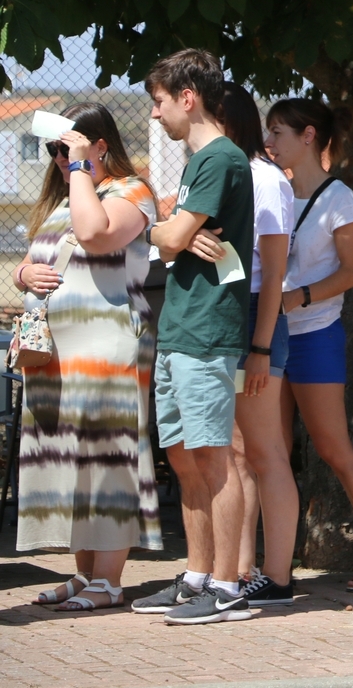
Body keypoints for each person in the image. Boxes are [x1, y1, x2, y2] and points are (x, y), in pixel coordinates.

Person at [16, 103, 161, 612]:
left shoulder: (131, 191)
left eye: (69, 147)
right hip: (54, 357)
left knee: (107, 458)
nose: (60, 158)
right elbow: (34, 259)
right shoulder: (66, 199)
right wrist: (24, 275)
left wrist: (80, 168)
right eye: (54, 149)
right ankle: (84, 574)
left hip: (107, 348)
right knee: (71, 462)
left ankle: (110, 580)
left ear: (101, 145)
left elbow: (98, 236)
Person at [133, 49, 255, 624]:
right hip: (179, 327)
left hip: (206, 330)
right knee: (184, 459)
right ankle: (198, 576)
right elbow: (174, 237)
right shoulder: (199, 161)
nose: (155, 114)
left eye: (160, 102)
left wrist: (164, 230)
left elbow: (174, 234)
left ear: (188, 97)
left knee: (214, 457)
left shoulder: (221, 158)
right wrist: (171, 234)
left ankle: (228, 588)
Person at [267, 98, 353, 594]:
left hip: (315, 334)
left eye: (277, 132)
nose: (268, 142)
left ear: (308, 136)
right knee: (270, 451)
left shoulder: (338, 196)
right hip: (270, 335)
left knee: (333, 447)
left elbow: (352, 273)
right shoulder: (275, 192)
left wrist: (297, 297)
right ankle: (271, 567)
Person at [207, 83, 299, 606]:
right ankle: (239, 571)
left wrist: (261, 347)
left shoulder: (265, 179)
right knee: (237, 453)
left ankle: (279, 576)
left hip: (256, 316)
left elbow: (275, 273)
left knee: (264, 453)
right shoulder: (226, 171)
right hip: (228, 314)